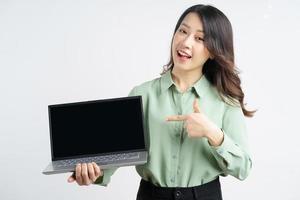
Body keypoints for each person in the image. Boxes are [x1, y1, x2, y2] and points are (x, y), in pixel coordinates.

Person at [67, 4, 255, 200]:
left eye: (200, 38)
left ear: (214, 51)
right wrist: (91, 173)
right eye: (183, 31)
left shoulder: (225, 100)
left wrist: (213, 133)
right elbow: (110, 163)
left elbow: (243, 168)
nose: (186, 42)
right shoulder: (141, 95)